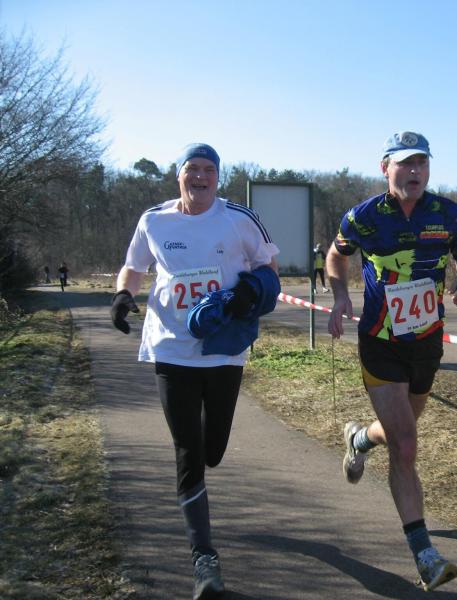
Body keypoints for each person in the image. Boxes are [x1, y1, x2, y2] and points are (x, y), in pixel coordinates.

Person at [109, 143, 280, 600]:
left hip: (224, 349)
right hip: (172, 349)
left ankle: (205, 470)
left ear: (217, 177)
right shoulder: (154, 220)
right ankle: (204, 560)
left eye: (208, 170)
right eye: (192, 169)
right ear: (179, 175)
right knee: (187, 450)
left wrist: (249, 292)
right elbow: (133, 266)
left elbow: (269, 267)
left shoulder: (239, 219)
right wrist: (123, 295)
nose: (200, 177)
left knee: (212, 449)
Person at [327, 131, 457, 592]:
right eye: (405, 164)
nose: (415, 171)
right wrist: (340, 295)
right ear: (386, 168)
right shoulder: (365, 216)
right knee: (408, 444)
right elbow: (336, 255)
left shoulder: (447, 213)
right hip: (381, 341)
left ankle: (359, 438)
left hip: (426, 342)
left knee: (401, 432)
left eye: (422, 163)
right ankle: (425, 555)